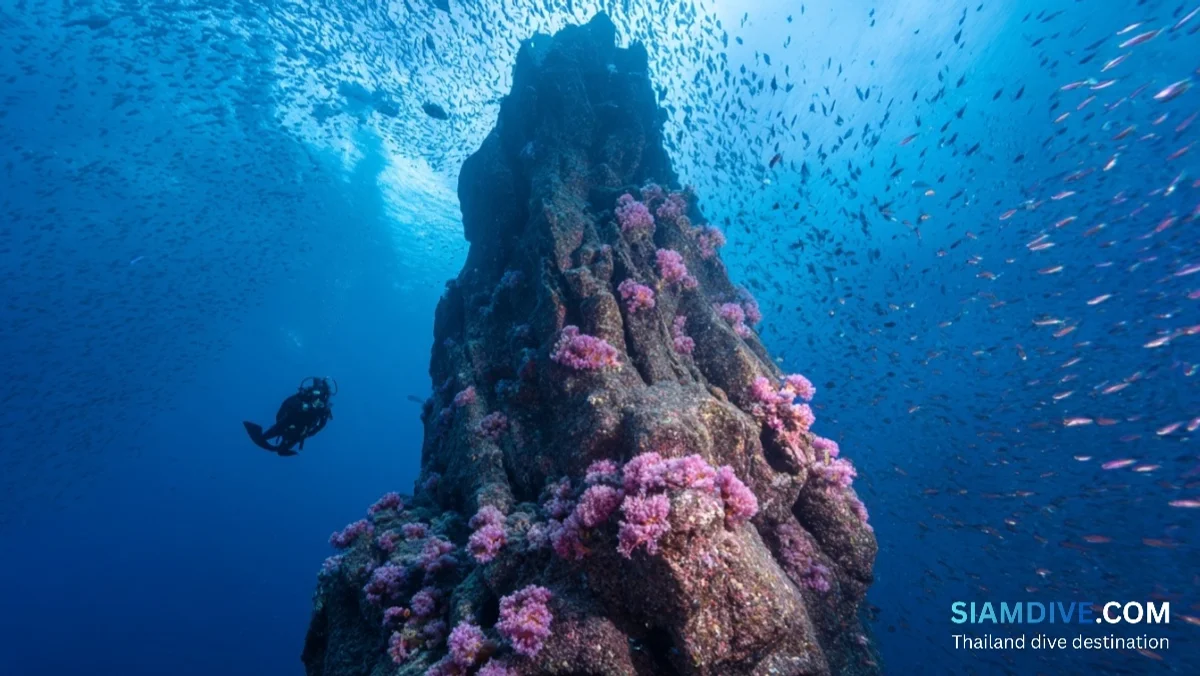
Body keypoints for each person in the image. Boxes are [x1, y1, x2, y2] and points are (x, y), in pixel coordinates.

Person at [243, 377, 335, 456]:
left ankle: (282, 447)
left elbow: (320, 426)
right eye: (316, 393)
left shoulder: (324, 410)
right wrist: (301, 406)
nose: (318, 401)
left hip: (299, 432)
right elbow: (287, 404)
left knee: (281, 450)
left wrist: (306, 434)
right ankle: (263, 437)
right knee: (265, 438)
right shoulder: (304, 395)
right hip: (288, 421)